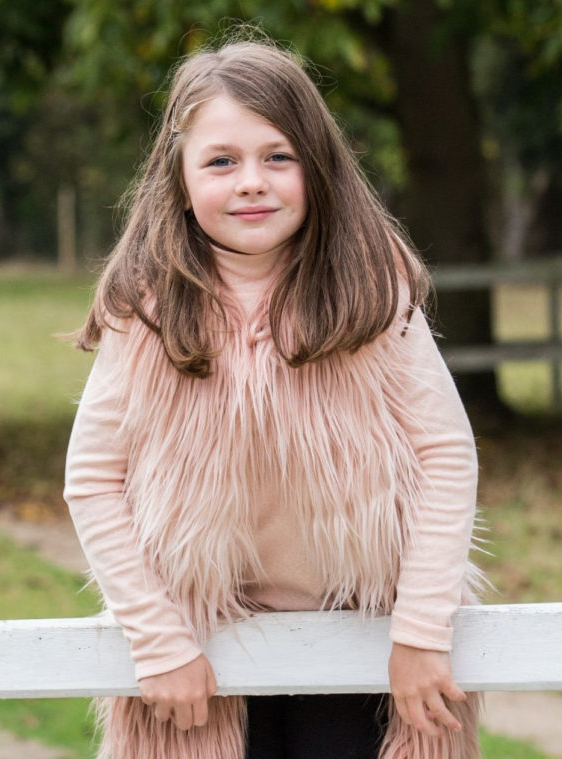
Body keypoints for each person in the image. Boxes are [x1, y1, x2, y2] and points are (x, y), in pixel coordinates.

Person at [64, 34, 486, 759]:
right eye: (222, 161)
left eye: (277, 157)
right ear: (181, 178)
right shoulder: (150, 311)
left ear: (316, 168)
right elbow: (92, 479)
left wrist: (420, 632)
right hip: (202, 648)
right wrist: (159, 640)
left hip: (365, 639)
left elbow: (446, 454)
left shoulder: (370, 293)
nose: (251, 181)